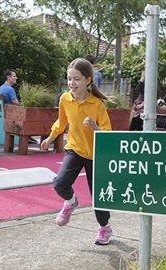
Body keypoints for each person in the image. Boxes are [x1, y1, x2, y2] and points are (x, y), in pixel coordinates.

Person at [40, 58, 113, 245]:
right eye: (69, 78)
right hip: (75, 149)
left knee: (99, 197)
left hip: (96, 155)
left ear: (88, 80)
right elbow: (61, 122)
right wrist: (49, 138)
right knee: (60, 183)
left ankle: (104, 228)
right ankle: (71, 202)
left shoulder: (97, 104)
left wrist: (95, 127)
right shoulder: (65, 99)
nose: (72, 83)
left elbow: (108, 133)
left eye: (77, 79)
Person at [129, 66, 145, 130]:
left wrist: (144, 104)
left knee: (140, 121)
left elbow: (152, 94)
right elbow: (138, 89)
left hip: (144, 103)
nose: (143, 72)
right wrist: (142, 78)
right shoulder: (143, 80)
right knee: (134, 120)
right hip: (139, 101)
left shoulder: (152, 81)